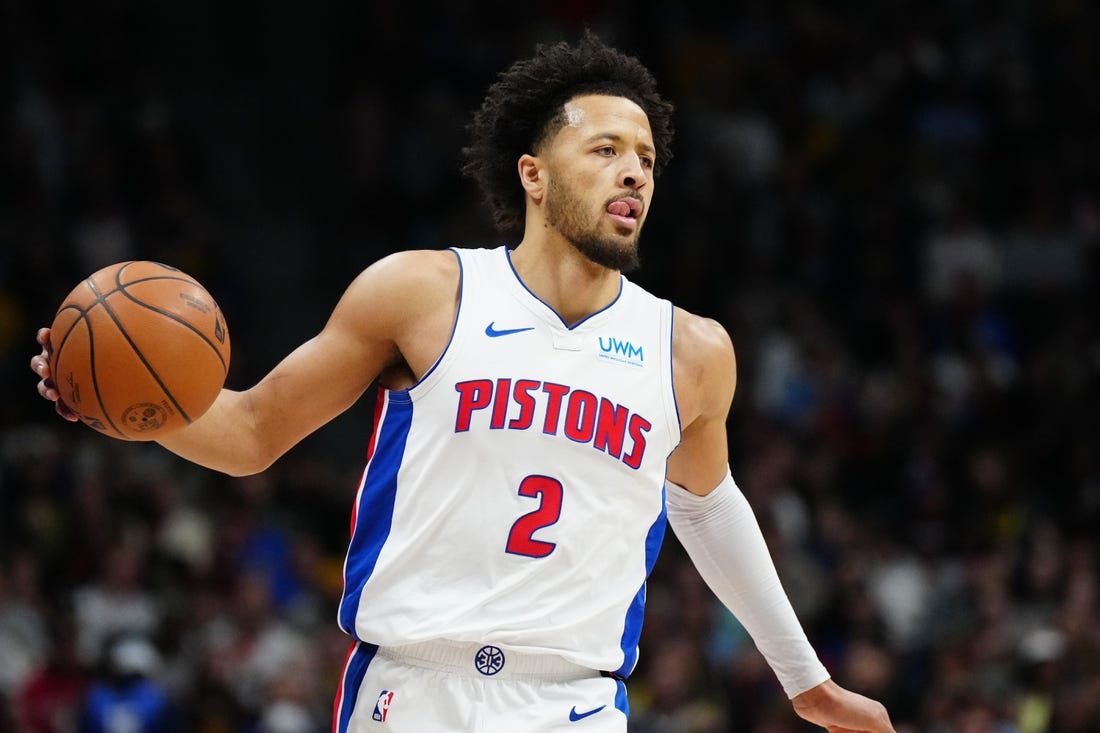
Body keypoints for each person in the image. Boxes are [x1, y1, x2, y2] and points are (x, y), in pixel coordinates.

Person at [32, 32, 896, 733]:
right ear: (533, 172)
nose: (635, 170)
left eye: (645, 156)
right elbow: (253, 430)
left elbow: (708, 506)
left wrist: (806, 679)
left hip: (575, 702)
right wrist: (125, 411)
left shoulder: (693, 350)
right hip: (413, 689)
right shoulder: (420, 293)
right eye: (605, 148)